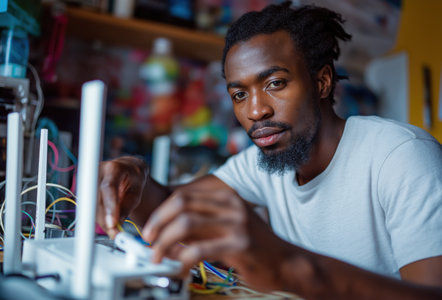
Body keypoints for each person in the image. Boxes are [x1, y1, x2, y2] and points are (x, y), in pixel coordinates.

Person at [97, 2, 442, 298]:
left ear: (321, 82)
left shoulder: (400, 158)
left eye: (275, 84)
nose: (256, 111)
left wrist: (292, 267)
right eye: (239, 95)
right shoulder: (262, 163)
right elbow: (176, 211)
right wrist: (135, 186)